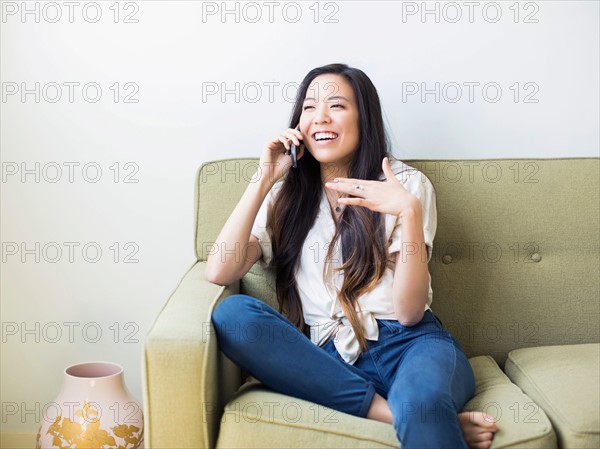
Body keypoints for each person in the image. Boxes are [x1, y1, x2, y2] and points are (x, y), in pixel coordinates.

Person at [206, 63, 498, 449]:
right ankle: (400, 416)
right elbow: (219, 270)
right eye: (309, 107)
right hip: (329, 361)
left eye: (337, 105)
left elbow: (410, 313)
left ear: (365, 118)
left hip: (411, 346)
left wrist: (408, 212)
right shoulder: (285, 196)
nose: (320, 117)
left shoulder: (406, 185)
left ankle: (415, 412)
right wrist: (263, 179)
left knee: (422, 402)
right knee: (233, 315)